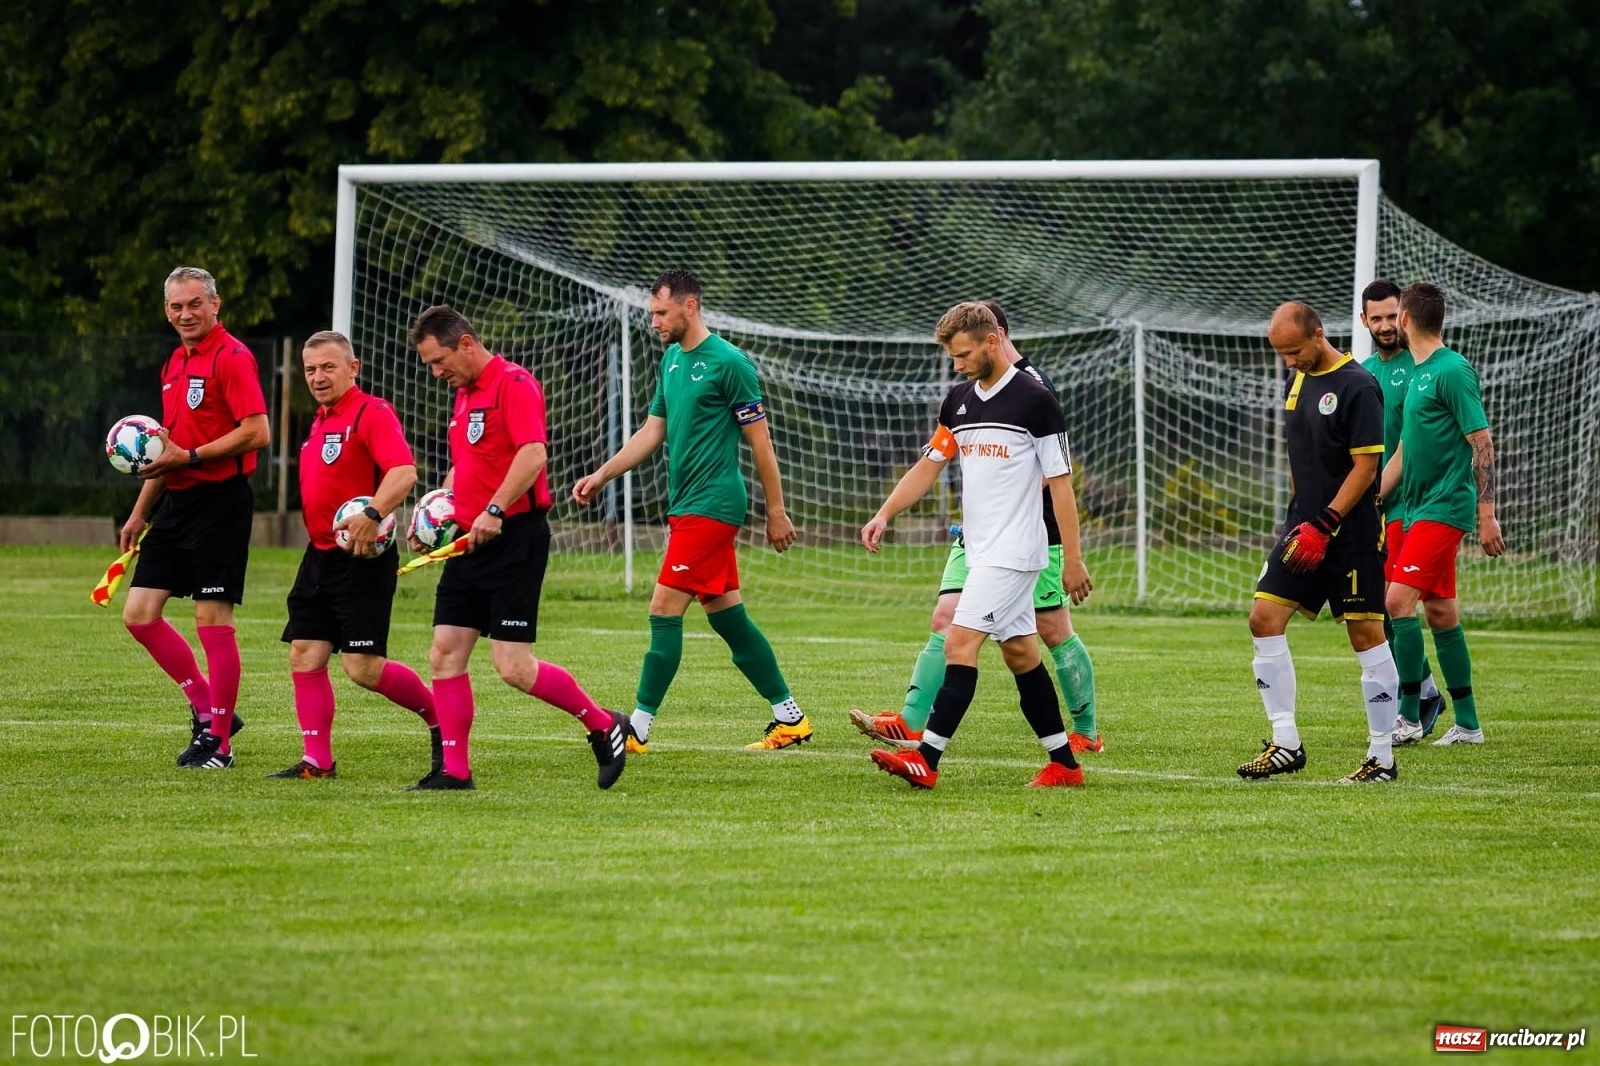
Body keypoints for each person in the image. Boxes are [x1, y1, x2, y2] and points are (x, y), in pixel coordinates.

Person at [572, 269, 810, 752]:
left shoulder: (730, 363)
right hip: (687, 505)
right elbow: (652, 431)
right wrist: (602, 474)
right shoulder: (672, 361)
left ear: (690, 306)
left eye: (661, 313)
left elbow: (761, 443)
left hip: (713, 504)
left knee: (663, 608)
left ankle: (637, 727)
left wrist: (777, 510)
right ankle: (790, 718)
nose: (654, 322)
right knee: (727, 617)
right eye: (652, 313)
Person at [850, 300, 1101, 753]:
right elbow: (930, 464)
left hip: (1024, 542)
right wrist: (885, 513)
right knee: (981, 634)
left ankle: (1082, 733)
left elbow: (1056, 477)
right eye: (953, 356)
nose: (957, 365)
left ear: (994, 338)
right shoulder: (960, 399)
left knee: (1039, 631)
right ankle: (914, 724)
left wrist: (1070, 555)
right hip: (977, 540)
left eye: (963, 355)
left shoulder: (1035, 392)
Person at [410, 306, 628, 790]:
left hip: (514, 538)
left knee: (513, 667)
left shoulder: (514, 384)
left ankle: (602, 724)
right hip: (469, 542)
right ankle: (455, 772)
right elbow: (465, 466)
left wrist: (494, 509)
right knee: (444, 653)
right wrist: (434, 514)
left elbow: (532, 455)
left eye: (439, 360)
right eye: (430, 365)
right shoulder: (463, 395)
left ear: (466, 344)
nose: (436, 372)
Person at [1238, 302, 1399, 784]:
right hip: (1304, 529)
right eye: (1282, 354)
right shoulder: (1297, 381)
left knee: (1366, 636)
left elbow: (1366, 468)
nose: (1289, 361)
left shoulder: (1358, 386)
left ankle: (1382, 757)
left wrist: (1326, 521)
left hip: (1350, 533)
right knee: (1263, 619)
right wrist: (1300, 518)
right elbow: (1300, 457)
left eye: (1294, 351)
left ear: (1318, 334)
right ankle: (1286, 743)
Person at [271, 331, 440, 781]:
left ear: (353, 368)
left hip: (363, 557)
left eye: (328, 367)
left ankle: (439, 717)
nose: (318, 377)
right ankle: (317, 762)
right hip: (319, 556)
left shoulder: (371, 412)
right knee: (305, 653)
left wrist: (372, 513)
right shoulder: (319, 421)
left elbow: (403, 472)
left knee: (362, 668)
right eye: (310, 369)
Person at [121, 266, 270, 770]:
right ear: (167, 311)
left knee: (212, 619)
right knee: (139, 614)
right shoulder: (173, 364)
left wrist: (190, 457)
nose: (186, 314)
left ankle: (220, 744)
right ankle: (209, 709)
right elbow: (169, 450)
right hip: (178, 504)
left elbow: (257, 432)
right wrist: (139, 513)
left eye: (195, 304)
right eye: (176, 306)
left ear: (215, 305)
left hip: (222, 502)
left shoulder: (232, 357)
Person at [1381, 283, 1504, 746]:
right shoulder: (1419, 373)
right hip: (1413, 509)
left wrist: (1487, 515)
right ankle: (1468, 725)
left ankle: (1409, 716)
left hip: (1444, 507)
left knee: (1397, 603)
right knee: (1440, 612)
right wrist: (1369, 500)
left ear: (1405, 319)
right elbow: (1404, 450)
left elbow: (1482, 443)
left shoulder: (1452, 369)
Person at [1359, 279, 1446, 736]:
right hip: (1372, 506)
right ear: (1364, 321)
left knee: (1406, 606)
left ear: (1405, 316)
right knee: (1378, 609)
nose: (1386, 325)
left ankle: (1416, 703)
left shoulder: (1423, 367)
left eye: (1392, 316)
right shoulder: (1363, 373)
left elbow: (1414, 444)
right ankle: (1425, 691)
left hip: (1410, 505)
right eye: (1376, 318)